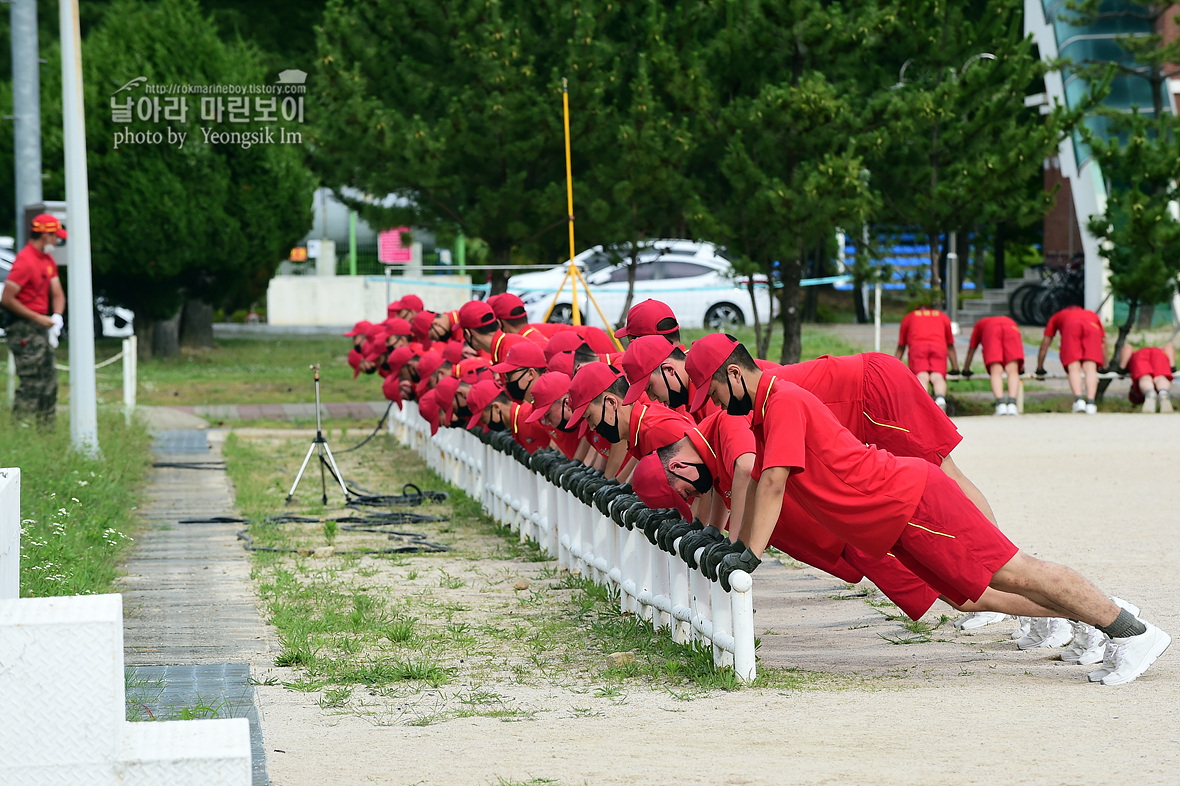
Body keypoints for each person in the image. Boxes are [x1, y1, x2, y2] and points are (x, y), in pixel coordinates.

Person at [689, 336, 1169, 685]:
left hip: (909, 500)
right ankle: (1105, 617)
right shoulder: (765, 408)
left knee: (1012, 571)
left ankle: (1128, 627)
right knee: (969, 595)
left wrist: (746, 553)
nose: (712, 403)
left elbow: (771, 481)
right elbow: (762, 482)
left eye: (712, 392)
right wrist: (736, 545)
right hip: (895, 515)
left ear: (734, 373)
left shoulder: (782, 400)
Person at [0, 214, 67, 425]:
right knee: (32, 382)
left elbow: (57, 292)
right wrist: (38, 318)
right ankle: (20, 429)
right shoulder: (25, 261)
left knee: (49, 382)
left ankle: (45, 432)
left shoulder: (47, 261)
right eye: (55, 237)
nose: (57, 241)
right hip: (24, 329)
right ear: (45, 236)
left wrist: (56, 316)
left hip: (41, 328)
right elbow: (7, 299)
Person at [1036, 305, 1106, 414]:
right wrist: (1105, 366)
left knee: (1074, 368)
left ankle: (1079, 401)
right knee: (1090, 369)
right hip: (1091, 326)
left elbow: (1045, 344)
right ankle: (1091, 403)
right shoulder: (1092, 315)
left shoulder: (1058, 316)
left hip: (1070, 327)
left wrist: (1040, 367)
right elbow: (1103, 344)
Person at [896, 303, 958, 411]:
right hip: (939, 348)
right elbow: (950, 346)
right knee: (937, 376)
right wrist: (955, 368)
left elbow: (901, 347)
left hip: (918, 348)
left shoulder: (909, 317)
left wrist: (894, 367)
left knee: (922, 376)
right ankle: (940, 399)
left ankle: (923, 402)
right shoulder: (942, 316)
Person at [963, 315, 1025, 416]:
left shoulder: (980, 324)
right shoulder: (1008, 319)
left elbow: (972, 348)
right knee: (1013, 370)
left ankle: (1001, 405)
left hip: (991, 330)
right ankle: (1012, 405)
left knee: (996, 371)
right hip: (1011, 326)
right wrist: (1021, 367)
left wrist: (966, 368)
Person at [1118, 343, 1174, 413]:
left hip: (1139, 356)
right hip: (1159, 354)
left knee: (1144, 378)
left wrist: (1122, 368)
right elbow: (1169, 345)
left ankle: (1150, 392)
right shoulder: (1160, 351)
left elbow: (1127, 347)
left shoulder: (1135, 354)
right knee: (1161, 377)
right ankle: (1164, 393)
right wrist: (1172, 366)